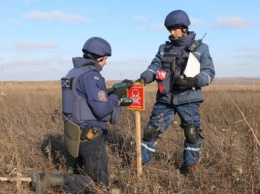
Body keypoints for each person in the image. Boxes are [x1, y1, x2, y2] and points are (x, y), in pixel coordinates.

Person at [31, 37, 133, 193]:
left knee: (84, 174)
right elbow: (101, 109)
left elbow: (86, 97)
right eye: (105, 59)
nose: (106, 63)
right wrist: (116, 96)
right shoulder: (92, 76)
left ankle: (67, 184)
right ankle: (47, 180)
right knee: (99, 185)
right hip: (90, 136)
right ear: (100, 58)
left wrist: (114, 89)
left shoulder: (74, 73)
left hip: (75, 135)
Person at [136, 10, 215, 174]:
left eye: (175, 29)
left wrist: (194, 81)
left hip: (189, 99)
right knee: (150, 131)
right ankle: (138, 163)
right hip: (165, 98)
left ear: (184, 28)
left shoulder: (201, 48)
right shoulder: (164, 48)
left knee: (192, 133)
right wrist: (144, 78)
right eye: (169, 29)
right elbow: (154, 67)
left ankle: (189, 167)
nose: (172, 32)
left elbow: (209, 73)